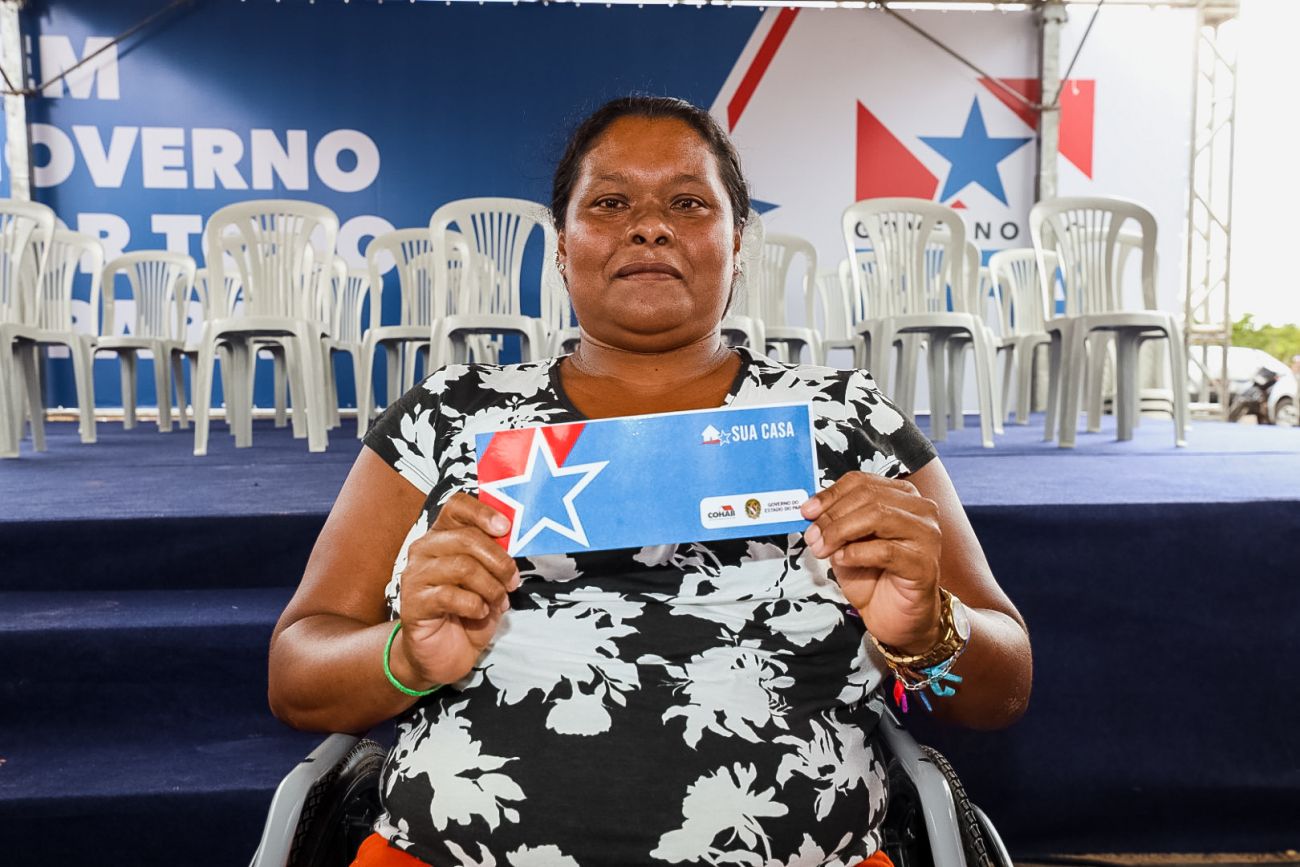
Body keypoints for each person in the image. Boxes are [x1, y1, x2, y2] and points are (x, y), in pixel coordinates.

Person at [268, 95, 1033, 867]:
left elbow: (1002, 685)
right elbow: (297, 671)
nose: (649, 226)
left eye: (688, 203)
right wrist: (407, 657)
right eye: (610, 203)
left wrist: (926, 630)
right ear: (561, 244)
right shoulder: (448, 414)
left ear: (738, 241)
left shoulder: (847, 420)